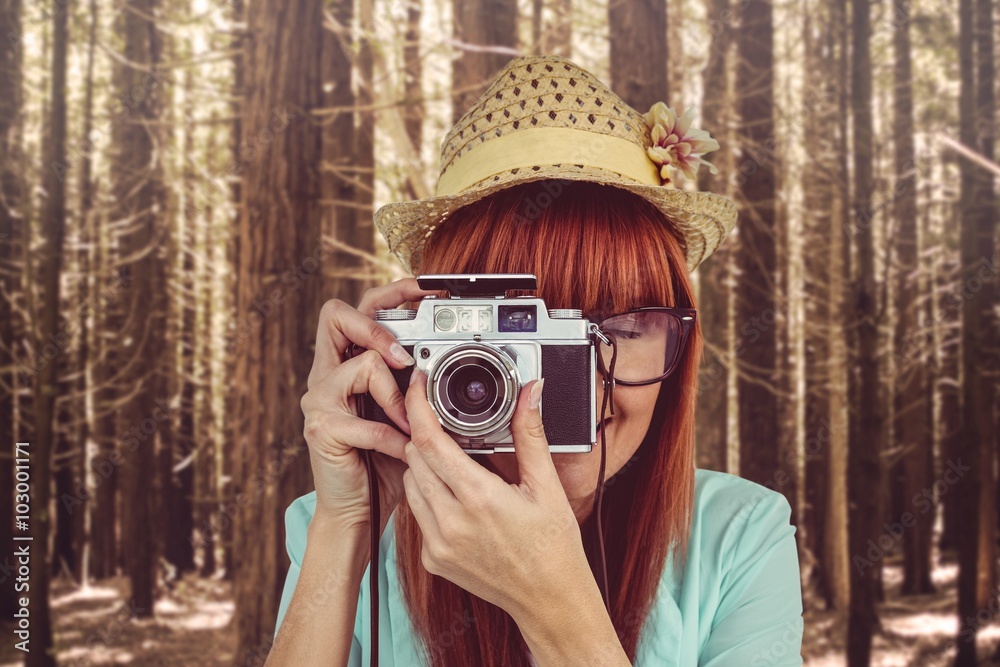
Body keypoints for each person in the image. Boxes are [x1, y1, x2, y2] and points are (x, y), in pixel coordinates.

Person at [266, 54, 804, 666]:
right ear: (428, 344)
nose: (568, 392)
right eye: (520, 339)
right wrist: (348, 528)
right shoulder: (344, 520)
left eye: (626, 327)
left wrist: (553, 603)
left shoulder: (738, 537)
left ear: (680, 345)